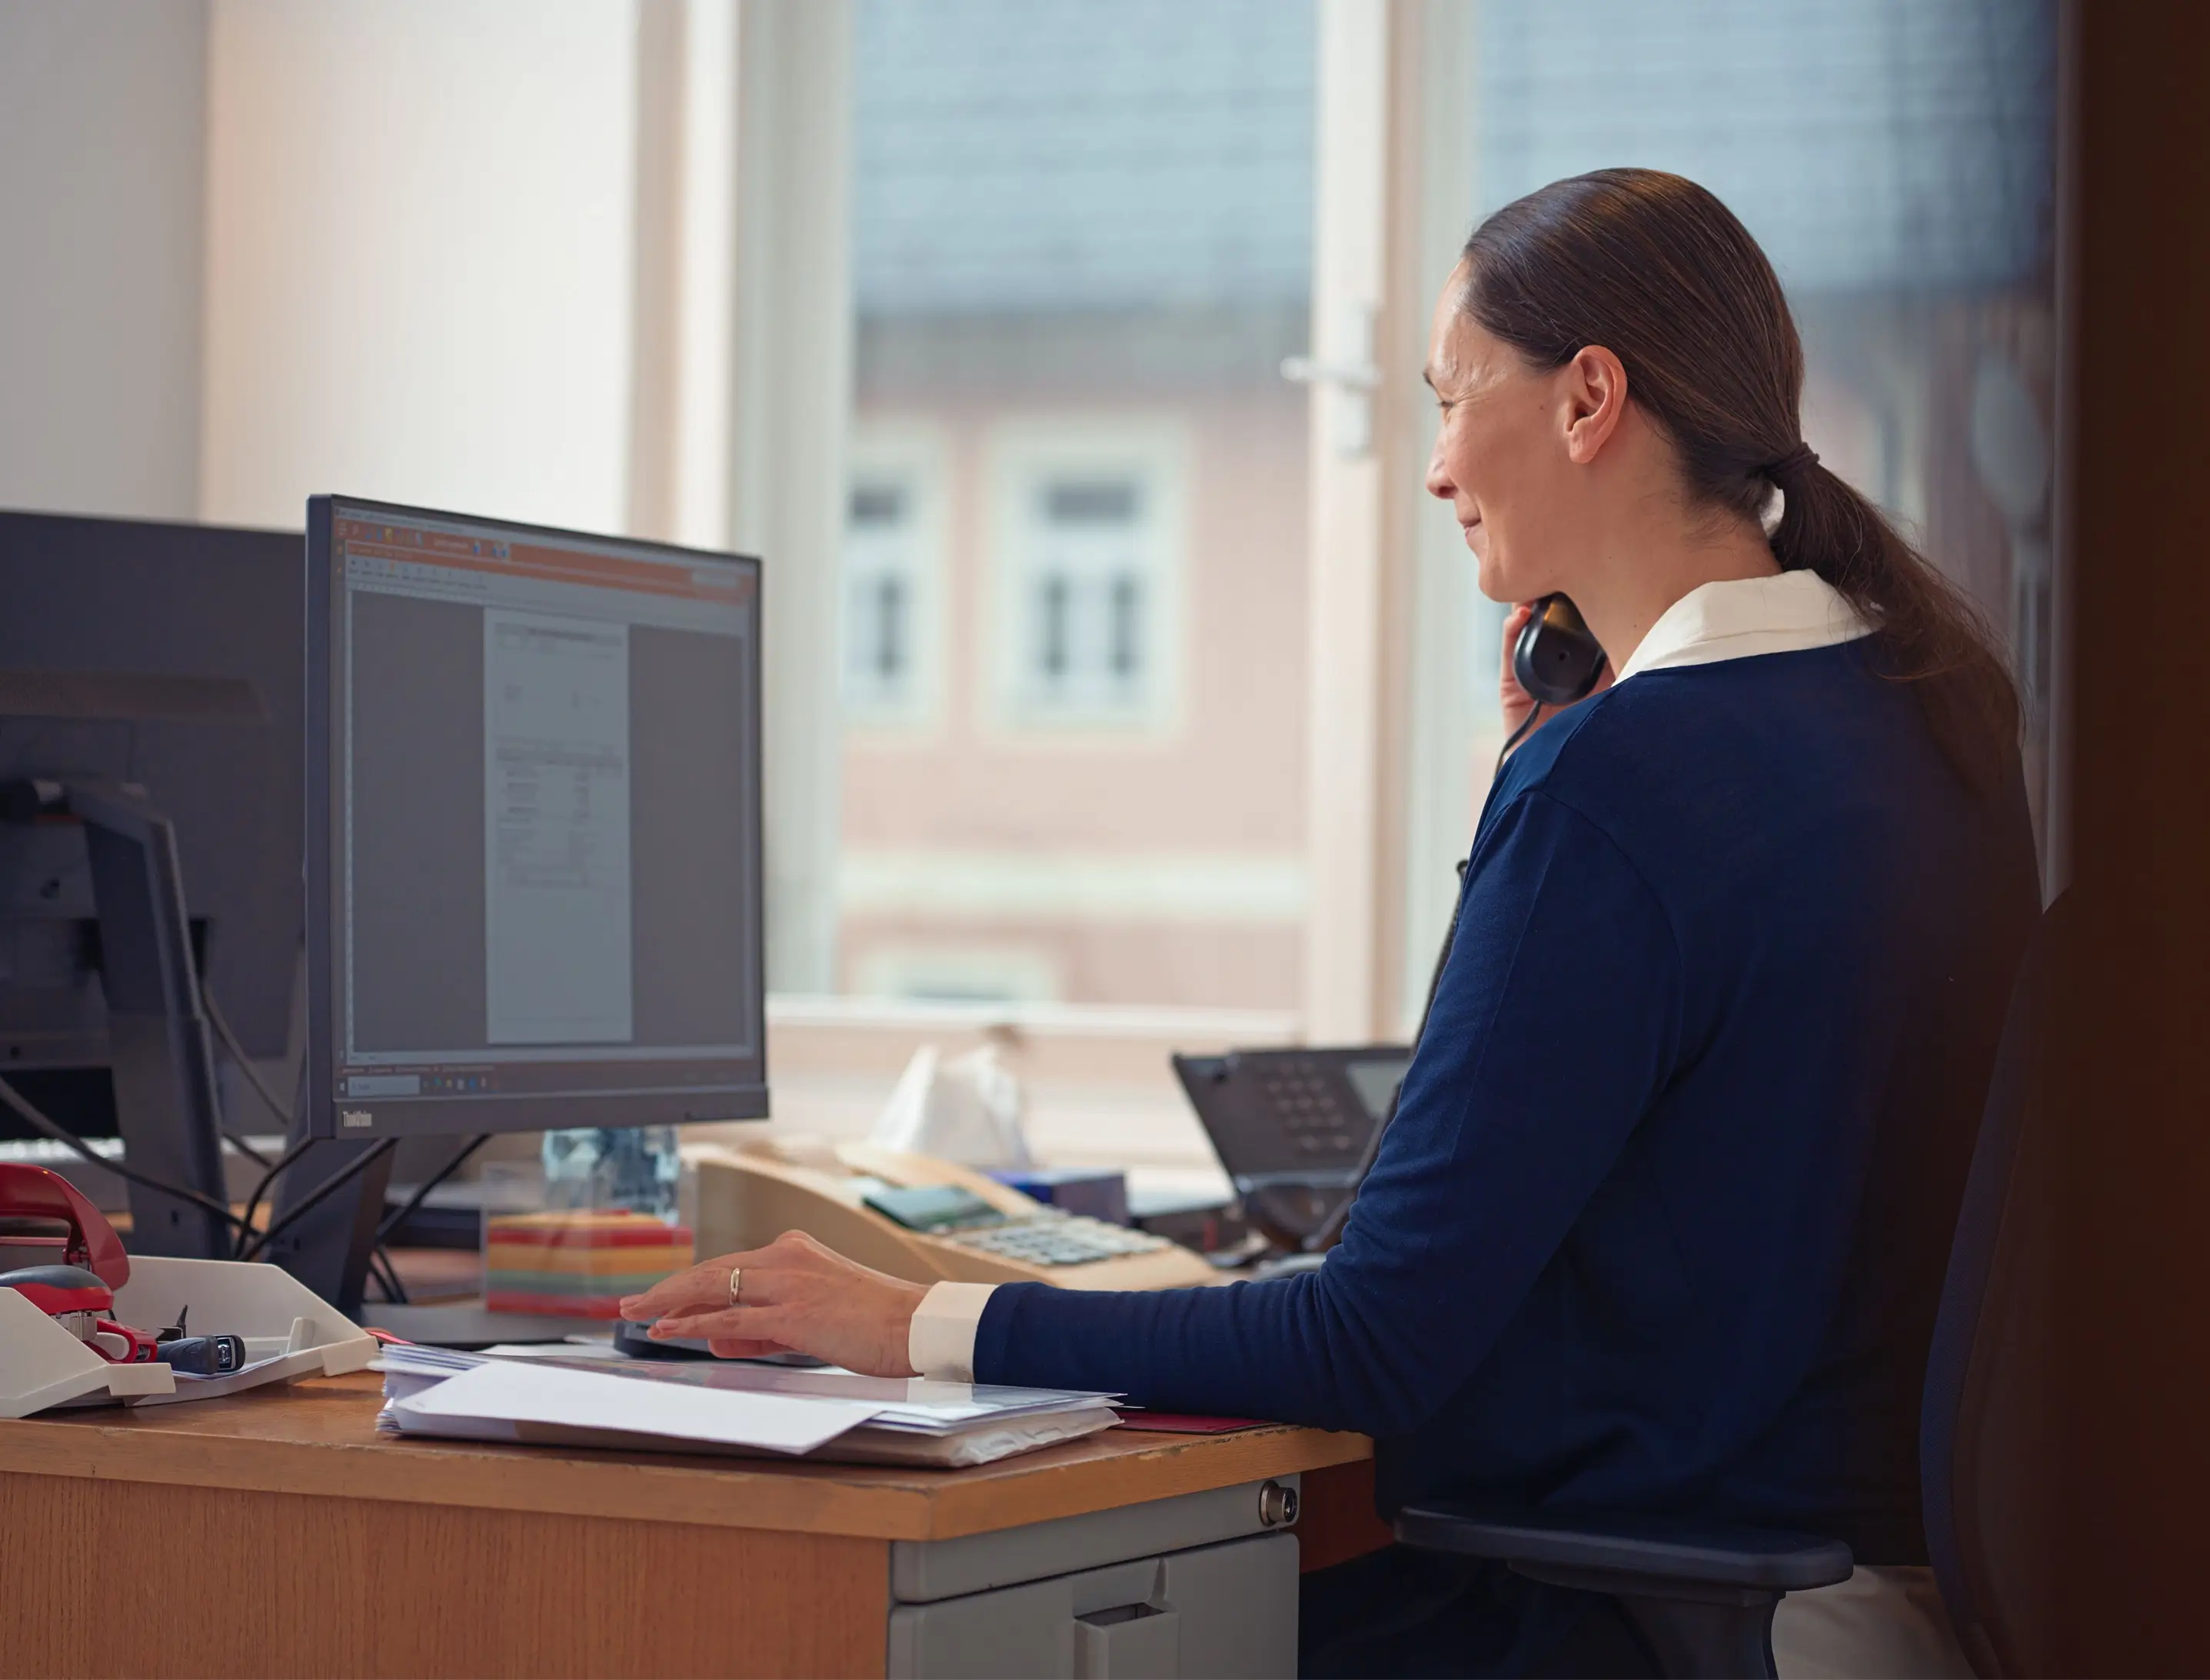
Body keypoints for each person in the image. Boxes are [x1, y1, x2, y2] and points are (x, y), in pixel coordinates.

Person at [622, 169, 2039, 1677]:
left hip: (1641, 1622)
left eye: (1446, 399)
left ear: (1586, 400)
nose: (1432, 469)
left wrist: (911, 1320)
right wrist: (1530, 778)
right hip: (1864, 1608)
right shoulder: (1927, 717)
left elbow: (1371, 1339)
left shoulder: (1619, 785)